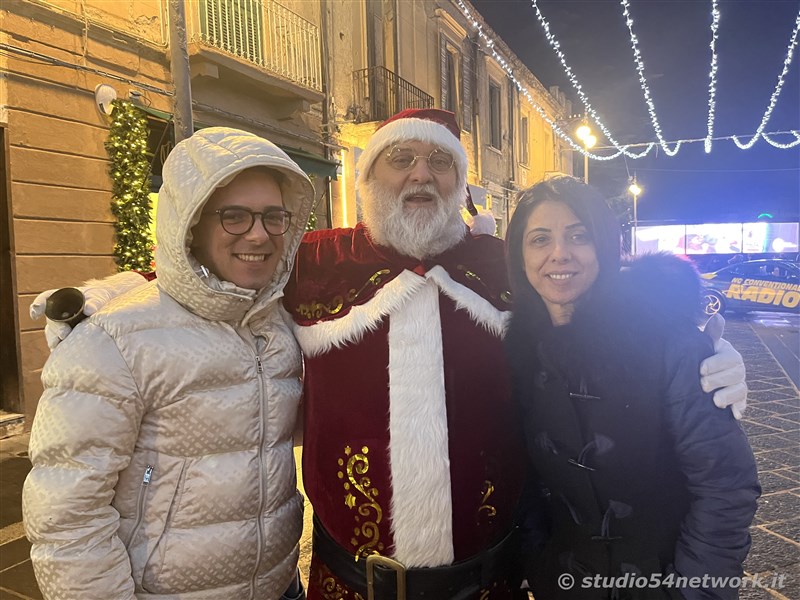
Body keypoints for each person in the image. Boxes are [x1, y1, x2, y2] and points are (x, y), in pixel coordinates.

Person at [30, 110, 749, 599]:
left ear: (460, 180)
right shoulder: (311, 262)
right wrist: (96, 300)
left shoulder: (508, 264)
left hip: (491, 579)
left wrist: (706, 348)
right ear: (370, 175)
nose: (420, 175)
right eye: (400, 158)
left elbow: (602, 303)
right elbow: (196, 277)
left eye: (438, 162)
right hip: (351, 583)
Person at [23, 128, 314, 599]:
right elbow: (66, 519)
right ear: (190, 223)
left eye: (273, 217)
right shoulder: (113, 342)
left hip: (280, 586)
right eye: (234, 217)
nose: (259, 234)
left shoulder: (279, 323)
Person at [504, 176, 760, 599]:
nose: (559, 254)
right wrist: (536, 558)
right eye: (540, 239)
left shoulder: (664, 341)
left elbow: (725, 486)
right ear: (519, 255)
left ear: (604, 246)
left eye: (578, 236)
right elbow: (526, 481)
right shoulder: (519, 350)